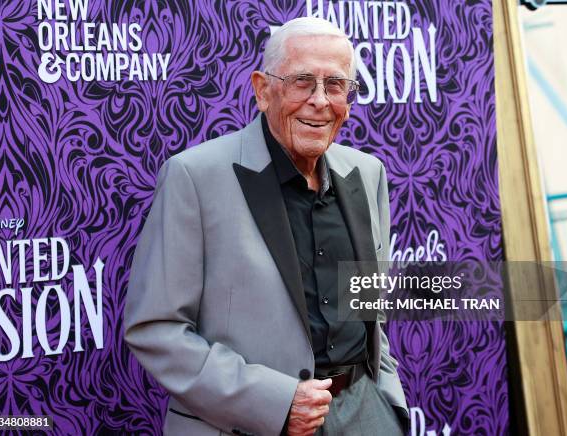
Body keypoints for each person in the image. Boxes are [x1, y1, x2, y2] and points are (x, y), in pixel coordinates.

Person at [124, 16, 408, 436]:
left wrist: (385, 398)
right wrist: (274, 403)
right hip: (249, 425)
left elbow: (371, 310)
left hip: (365, 412)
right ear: (262, 89)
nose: (320, 101)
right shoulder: (194, 176)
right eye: (302, 82)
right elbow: (156, 328)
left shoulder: (367, 173)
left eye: (335, 86)